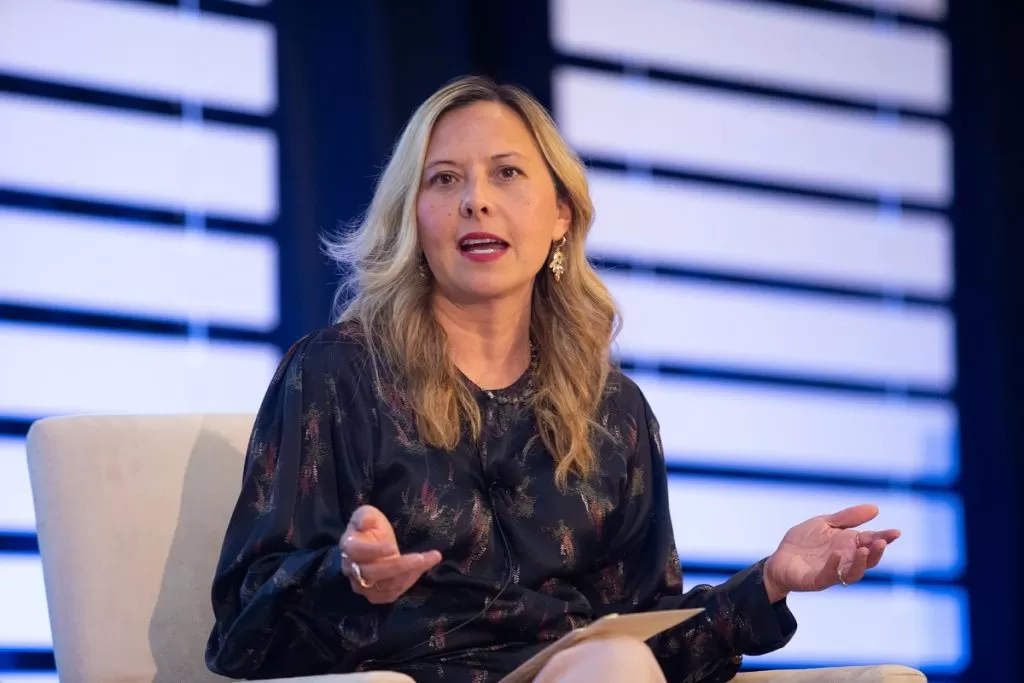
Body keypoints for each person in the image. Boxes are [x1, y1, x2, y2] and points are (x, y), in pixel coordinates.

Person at [205, 75, 900, 683]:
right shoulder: (338, 375)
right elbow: (242, 630)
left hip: (587, 674)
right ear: (412, 216)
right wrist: (348, 577)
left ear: (561, 214)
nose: (475, 200)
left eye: (506, 173)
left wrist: (770, 582)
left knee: (617, 661)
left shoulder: (613, 411)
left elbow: (648, 637)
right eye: (443, 179)